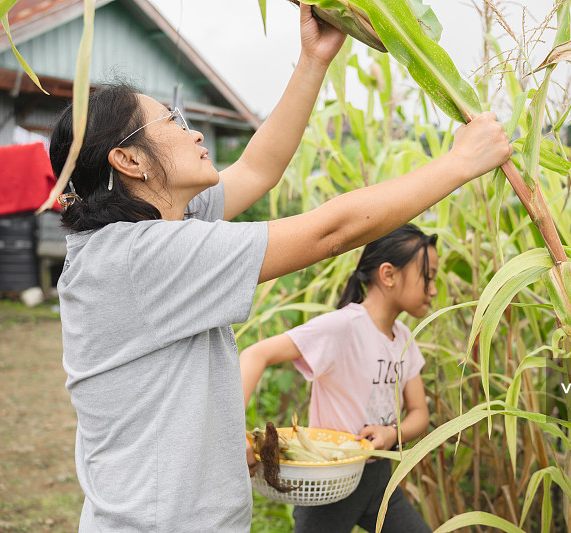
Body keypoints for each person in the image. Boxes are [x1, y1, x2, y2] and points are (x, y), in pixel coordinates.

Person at [52, 5, 512, 532]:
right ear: (129, 162)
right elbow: (328, 232)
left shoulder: (143, 230)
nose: (195, 132)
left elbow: (257, 168)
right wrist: (459, 163)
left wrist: (312, 60)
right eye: (172, 122)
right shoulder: (140, 257)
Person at [240, 223, 437, 533]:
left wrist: (390, 435)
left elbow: (420, 415)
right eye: (427, 278)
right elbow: (255, 354)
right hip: (329, 483)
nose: (433, 290)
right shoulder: (344, 327)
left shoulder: (404, 339)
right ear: (388, 275)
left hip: (379, 479)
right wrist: (233, 437)